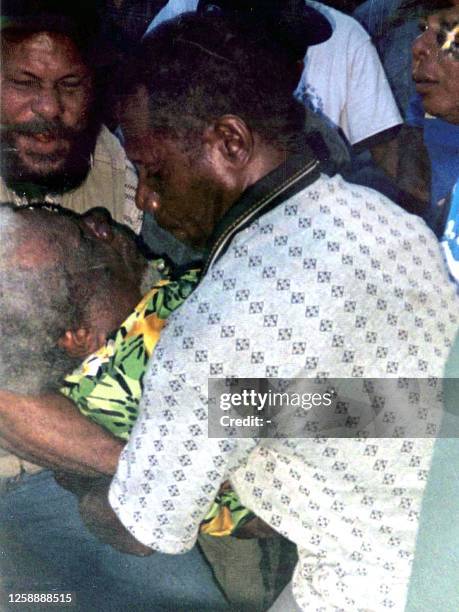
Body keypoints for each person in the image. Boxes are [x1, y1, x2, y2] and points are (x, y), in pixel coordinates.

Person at [87, 11, 457, 611]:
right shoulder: (389, 221)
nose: (146, 200)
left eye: (154, 171)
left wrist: (83, 479)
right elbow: (412, 404)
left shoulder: (215, 327)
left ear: (230, 142)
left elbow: (145, 526)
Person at [0, 202, 231, 612]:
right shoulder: (156, 362)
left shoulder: (113, 367)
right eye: (85, 241)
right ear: (77, 336)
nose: (100, 221)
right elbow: (344, 409)